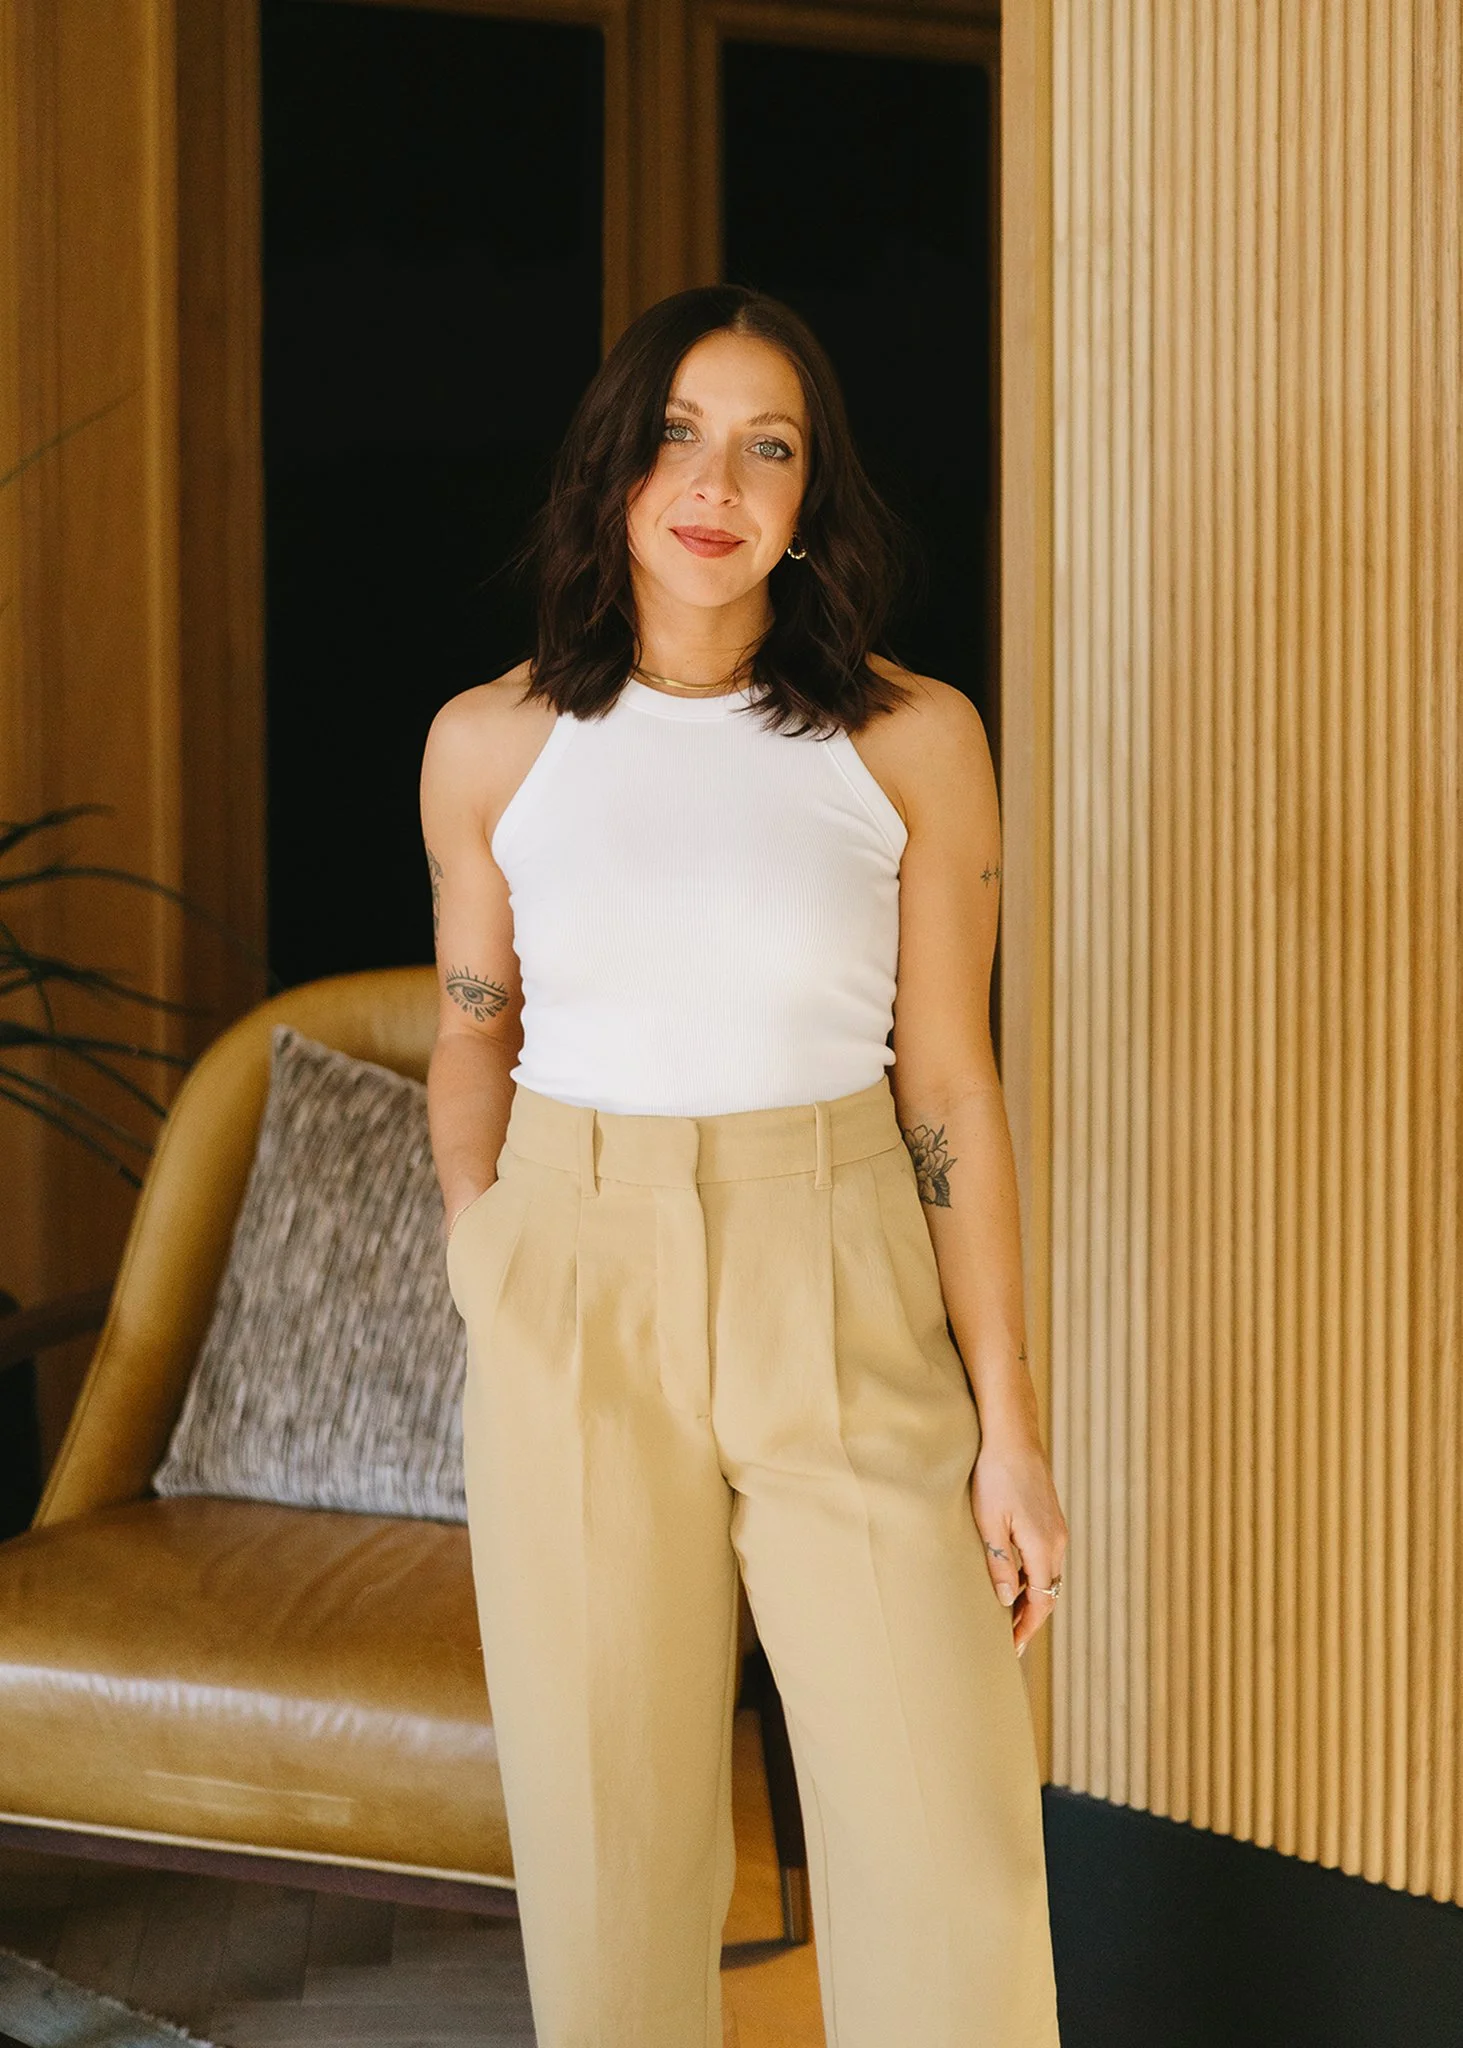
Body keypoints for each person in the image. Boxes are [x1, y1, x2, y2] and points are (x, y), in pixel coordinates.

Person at [420, 283, 1067, 2048]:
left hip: (840, 1267)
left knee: (952, 1853)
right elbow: (475, 1020)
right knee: (608, 1862)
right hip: (573, 1273)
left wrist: (1007, 1428)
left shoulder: (908, 740)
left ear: (809, 497)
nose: (718, 480)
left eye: (766, 446)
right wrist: (488, 1241)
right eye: (680, 436)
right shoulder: (491, 747)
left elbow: (948, 1079)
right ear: (617, 469)